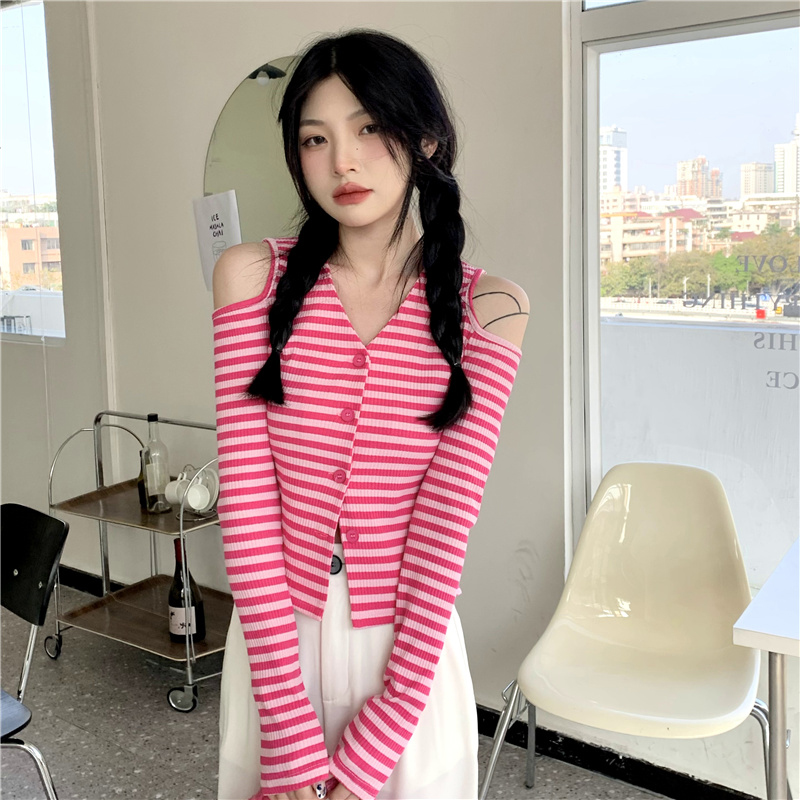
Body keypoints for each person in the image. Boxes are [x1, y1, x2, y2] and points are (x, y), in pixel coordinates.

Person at [211, 29, 529, 800]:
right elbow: (247, 505)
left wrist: (374, 745)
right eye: (315, 139)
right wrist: (288, 735)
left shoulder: (490, 309)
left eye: (369, 129)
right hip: (275, 646)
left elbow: (445, 528)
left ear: (425, 140)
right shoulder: (249, 279)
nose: (343, 162)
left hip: (408, 662)